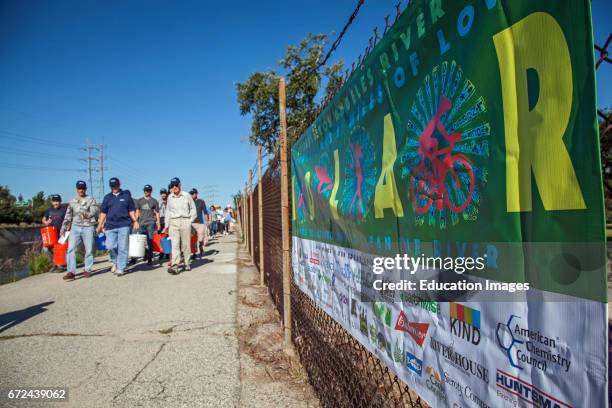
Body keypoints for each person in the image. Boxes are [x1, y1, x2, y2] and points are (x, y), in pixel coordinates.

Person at [97, 177, 138, 277]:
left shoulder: (127, 196)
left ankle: (121, 268)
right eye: (112, 186)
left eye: (116, 185)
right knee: (110, 246)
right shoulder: (107, 197)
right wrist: (99, 225)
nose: (114, 187)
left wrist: (135, 221)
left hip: (124, 225)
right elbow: (103, 212)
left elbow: (131, 211)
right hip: (110, 226)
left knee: (123, 247)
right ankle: (115, 262)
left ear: (119, 185)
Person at [60, 181, 99, 280]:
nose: (81, 190)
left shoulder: (91, 200)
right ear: (76, 189)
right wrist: (63, 228)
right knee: (71, 249)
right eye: (79, 188)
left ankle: (87, 269)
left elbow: (94, 212)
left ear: (85, 189)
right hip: (75, 227)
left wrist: (84, 210)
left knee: (89, 249)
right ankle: (71, 271)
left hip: (88, 226)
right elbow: (68, 215)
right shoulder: (72, 201)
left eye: (83, 188)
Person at [163, 177, 196, 274]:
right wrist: (166, 225)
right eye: (172, 185)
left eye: (176, 185)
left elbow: (193, 209)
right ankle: (175, 265)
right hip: (174, 222)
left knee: (186, 245)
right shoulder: (170, 197)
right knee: (175, 244)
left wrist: (190, 220)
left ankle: (186, 263)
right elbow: (168, 212)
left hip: (185, 221)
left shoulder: (187, 195)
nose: (174, 187)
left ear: (180, 185)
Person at [135, 185, 160, 265]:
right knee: (142, 241)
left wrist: (158, 223)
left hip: (150, 223)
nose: (146, 192)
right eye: (145, 190)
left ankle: (149, 258)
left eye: (148, 190)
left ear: (151, 191)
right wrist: (135, 222)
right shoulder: (139, 201)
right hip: (141, 223)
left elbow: (157, 212)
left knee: (150, 241)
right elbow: (137, 211)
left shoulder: (154, 201)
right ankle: (145, 254)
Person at [42, 194, 67, 272]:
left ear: (60, 201)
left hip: (62, 233)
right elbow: (43, 219)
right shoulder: (48, 210)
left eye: (57, 201)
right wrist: (46, 222)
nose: (56, 203)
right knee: (45, 249)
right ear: (52, 202)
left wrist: (66, 230)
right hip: (51, 234)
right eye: (54, 201)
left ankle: (60, 266)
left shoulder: (64, 210)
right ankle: (54, 264)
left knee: (59, 249)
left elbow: (68, 220)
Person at [189, 188, 209, 259]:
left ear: (196, 194)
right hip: (191, 223)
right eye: (190, 194)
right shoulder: (189, 202)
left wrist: (207, 221)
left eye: (192, 194)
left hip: (200, 223)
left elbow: (205, 212)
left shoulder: (201, 201)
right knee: (193, 239)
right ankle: (194, 253)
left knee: (200, 239)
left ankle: (201, 250)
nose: (191, 195)